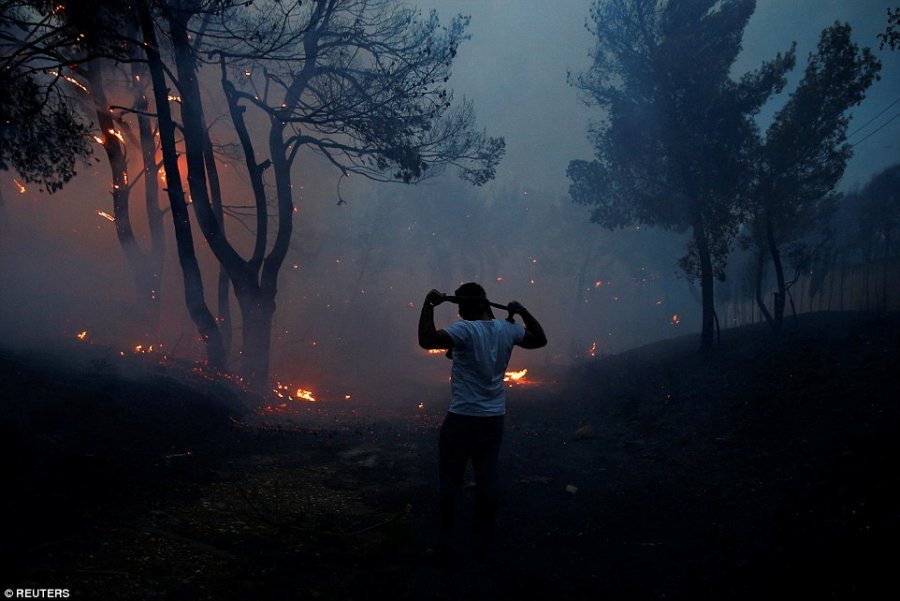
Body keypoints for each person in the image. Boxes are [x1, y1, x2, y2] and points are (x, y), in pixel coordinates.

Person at [418, 282, 547, 561]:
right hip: (493, 419)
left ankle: (448, 543)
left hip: (463, 418)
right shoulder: (507, 329)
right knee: (487, 479)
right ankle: (483, 543)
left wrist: (428, 305)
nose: (460, 313)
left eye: (462, 308)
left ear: (471, 307)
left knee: (451, 480)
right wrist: (522, 310)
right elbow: (540, 338)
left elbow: (427, 340)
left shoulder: (465, 330)